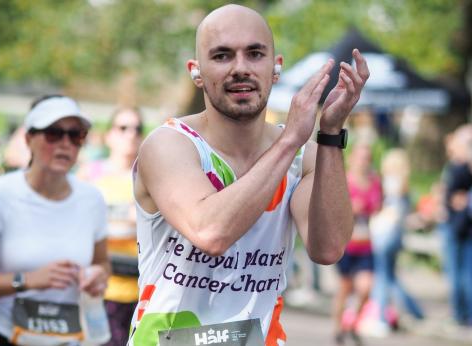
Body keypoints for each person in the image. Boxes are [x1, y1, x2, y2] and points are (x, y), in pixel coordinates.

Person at [128, 4, 369, 345]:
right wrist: (288, 142)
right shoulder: (170, 145)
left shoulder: (304, 155)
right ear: (196, 71)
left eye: (255, 54)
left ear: (276, 67)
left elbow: (327, 249)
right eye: (222, 56)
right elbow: (210, 232)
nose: (240, 68)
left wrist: (330, 133)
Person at [0, 94, 110, 346]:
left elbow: (101, 262)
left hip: (64, 338)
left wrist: (98, 277)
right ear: (28, 139)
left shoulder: (92, 199)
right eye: (53, 133)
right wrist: (26, 280)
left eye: (76, 134)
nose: (65, 143)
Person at [78, 107, 143, 345]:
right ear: (109, 135)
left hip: (139, 287)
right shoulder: (90, 174)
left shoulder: (147, 176)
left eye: (137, 129)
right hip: (100, 286)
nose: (130, 134)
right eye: (123, 128)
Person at [363, 148, 424, 337]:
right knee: (390, 277)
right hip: (396, 236)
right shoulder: (405, 185)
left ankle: (380, 318)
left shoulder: (392, 183)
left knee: (381, 277)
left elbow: (393, 212)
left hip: (386, 236)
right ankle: (416, 311)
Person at [333, 142, 381, 345]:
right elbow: (332, 208)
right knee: (345, 289)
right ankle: (338, 329)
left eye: (366, 158)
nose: (363, 162)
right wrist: (351, 209)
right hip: (346, 245)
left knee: (366, 288)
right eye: (360, 157)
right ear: (352, 159)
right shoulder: (344, 181)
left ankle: (352, 324)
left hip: (366, 246)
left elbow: (378, 206)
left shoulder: (375, 182)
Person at [440, 124, 472, 327]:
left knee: (459, 273)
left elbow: (452, 198)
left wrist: (464, 200)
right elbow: (451, 197)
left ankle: (462, 313)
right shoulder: (457, 167)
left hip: (459, 226)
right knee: (462, 273)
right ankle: (463, 312)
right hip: (460, 226)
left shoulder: (459, 168)